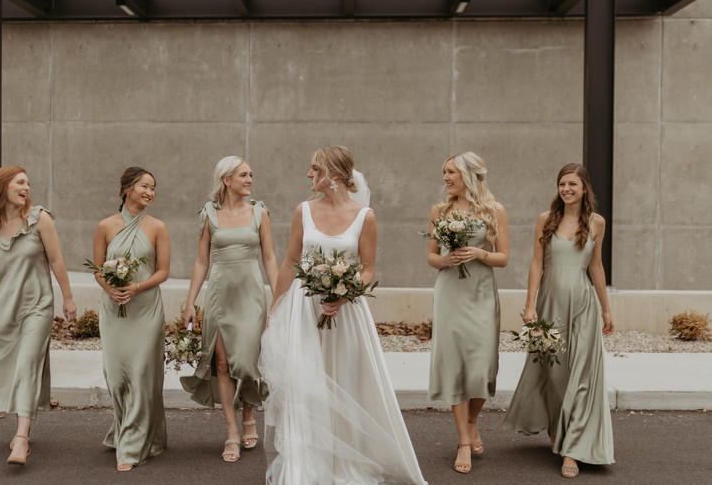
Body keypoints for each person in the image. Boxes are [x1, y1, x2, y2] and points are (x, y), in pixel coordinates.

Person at [259, 146, 426, 484]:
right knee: (305, 386)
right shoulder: (302, 211)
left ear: (332, 175)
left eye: (314, 168)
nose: (308, 175)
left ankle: (346, 460)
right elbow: (292, 263)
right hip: (303, 311)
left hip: (347, 314)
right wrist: (274, 311)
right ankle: (303, 469)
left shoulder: (365, 216)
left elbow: (367, 269)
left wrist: (343, 294)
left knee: (348, 382)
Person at [501, 163, 616, 479]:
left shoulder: (597, 223)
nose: (566, 189)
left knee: (580, 376)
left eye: (573, 184)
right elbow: (536, 264)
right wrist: (529, 306)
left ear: (584, 188)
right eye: (562, 184)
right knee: (553, 373)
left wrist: (606, 309)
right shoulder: (545, 220)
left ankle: (572, 450)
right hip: (549, 304)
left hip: (582, 305)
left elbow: (596, 268)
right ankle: (556, 427)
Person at [0, 166, 77, 466]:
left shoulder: (40, 219)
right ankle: (22, 426)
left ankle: (21, 439)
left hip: (37, 307)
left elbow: (56, 260)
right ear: (2, 186)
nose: (26, 186)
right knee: (12, 370)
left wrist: (67, 298)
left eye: (28, 182)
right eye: (20, 182)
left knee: (28, 363)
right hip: (6, 308)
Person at [180, 156, 279, 463]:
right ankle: (232, 431)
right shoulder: (208, 213)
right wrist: (190, 301)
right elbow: (201, 261)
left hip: (250, 294)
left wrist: (278, 298)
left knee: (248, 360)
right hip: (220, 295)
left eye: (251, 174)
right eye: (243, 175)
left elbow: (270, 258)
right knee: (222, 364)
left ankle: (249, 414)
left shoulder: (260, 211)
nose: (249, 179)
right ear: (226, 180)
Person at [425, 152, 509, 474]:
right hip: (450, 293)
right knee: (457, 365)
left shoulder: (494, 210)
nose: (445, 178)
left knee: (483, 365)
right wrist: (446, 260)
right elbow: (431, 256)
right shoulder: (439, 210)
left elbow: (503, 258)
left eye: (450, 173)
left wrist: (478, 253)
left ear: (468, 174)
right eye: (444, 173)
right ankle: (462, 440)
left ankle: (473, 420)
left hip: (481, 293)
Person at [91, 167, 170, 471]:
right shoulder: (104, 226)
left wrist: (137, 286)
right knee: (116, 374)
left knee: (141, 373)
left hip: (146, 308)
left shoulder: (158, 227)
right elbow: (97, 268)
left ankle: (133, 444)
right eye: (145, 186)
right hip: (114, 311)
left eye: (153, 188)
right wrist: (109, 287)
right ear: (127, 188)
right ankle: (126, 428)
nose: (150, 192)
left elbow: (163, 271)